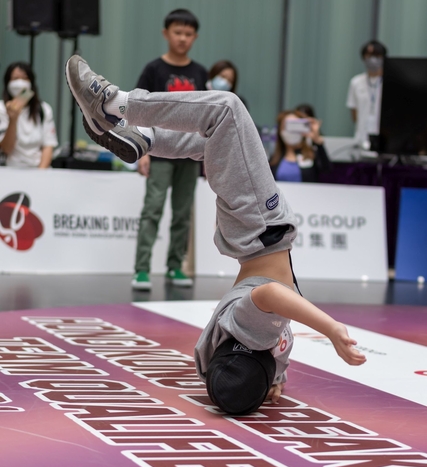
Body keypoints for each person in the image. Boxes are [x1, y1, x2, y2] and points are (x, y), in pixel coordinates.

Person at [65, 55, 367, 416]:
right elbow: (265, 359)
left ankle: (114, 105)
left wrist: (331, 330)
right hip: (249, 237)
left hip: (259, 225)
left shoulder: (248, 327)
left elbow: (271, 294)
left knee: (226, 111)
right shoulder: (243, 353)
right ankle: (144, 139)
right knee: (215, 141)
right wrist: (275, 378)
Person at [132, 9, 208, 290]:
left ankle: (175, 266)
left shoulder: (200, 73)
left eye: (188, 34)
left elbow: (207, 113)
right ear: (166, 34)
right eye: (177, 32)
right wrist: (143, 151)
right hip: (159, 151)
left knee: (183, 212)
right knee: (152, 209)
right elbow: (138, 110)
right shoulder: (154, 70)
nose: (182, 38)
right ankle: (142, 269)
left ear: (195, 37)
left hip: (190, 153)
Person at [0, 62, 58, 168]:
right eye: (15, 78)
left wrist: (40, 173)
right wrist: (13, 119)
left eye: (25, 78)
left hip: (38, 169)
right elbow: (6, 149)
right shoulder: (2, 109)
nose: (20, 83)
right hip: (11, 170)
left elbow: (48, 146)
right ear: (7, 83)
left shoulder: (43, 109)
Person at [346, 40, 388, 150]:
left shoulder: (391, 81)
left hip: (384, 138)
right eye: (369, 56)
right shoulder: (356, 82)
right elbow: (354, 112)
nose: (373, 60)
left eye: (376, 56)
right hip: (362, 136)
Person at [270, 107, 330, 183]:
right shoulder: (274, 159)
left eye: (295, 125)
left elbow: (327, 171)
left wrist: (317, 141)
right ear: (280, 130)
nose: (292, 131)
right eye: (288, 126)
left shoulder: (311, 155)